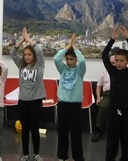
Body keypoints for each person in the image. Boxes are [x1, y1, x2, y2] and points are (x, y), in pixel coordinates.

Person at [102, 26, 128, 161]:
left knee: (125, 140)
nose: (118, 63)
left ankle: (125, 158)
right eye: (116, 60)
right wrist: (113, 39)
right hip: (113, 111)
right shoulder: (112, 71)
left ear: (127, 61)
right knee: (112, 140)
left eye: (121, 61)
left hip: (127, 111)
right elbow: (104, 54)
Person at [11, 27, 46, 161]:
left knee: (34, 128)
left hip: (36, 100)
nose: (26, 57)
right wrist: (21, 41)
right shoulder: (21, 64)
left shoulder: (39, 64)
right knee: (25, 129)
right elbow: (13, 53)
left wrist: (29, 39)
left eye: (29, 54)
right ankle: (25, 155)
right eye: (25, 54)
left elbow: (39, 50)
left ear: (34, 56)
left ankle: (36, 154)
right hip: (23, 101)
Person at [54, 33, 86, 161]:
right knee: (62, 133)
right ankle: (62, 156)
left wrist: (75, 47)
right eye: (67, 59)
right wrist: (67, 47)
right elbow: (56, 59)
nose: (68, 61)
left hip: (75, 106)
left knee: (75, 135)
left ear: (76, 60)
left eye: (71, 59)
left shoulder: (80, 71)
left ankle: (78, 157)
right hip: (62, 105)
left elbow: (82, 60)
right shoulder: (63, 69)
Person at [91, 55, 115, 142]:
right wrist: (98, 97)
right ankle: (99, 131)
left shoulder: (122, 72)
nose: (113, 65)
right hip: (107, 94)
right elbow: (98, 86)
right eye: (111, 63)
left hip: (119, 95)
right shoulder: (104, 72)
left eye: (114, 63)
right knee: (102, 106)